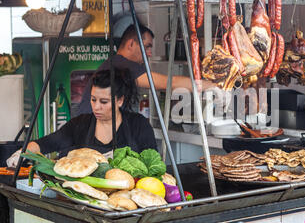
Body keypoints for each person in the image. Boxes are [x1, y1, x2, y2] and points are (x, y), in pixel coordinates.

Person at [7, 69, 157, 167]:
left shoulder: (138, 125)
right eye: (93, 100)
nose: (96, 107)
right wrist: (22, 152)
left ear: (120, 100)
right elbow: (46, 143)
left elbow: (152, 164)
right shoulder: (80, 124)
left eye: (103, 102)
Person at [76, 24, 213, 115]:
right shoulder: (124, 65)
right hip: (91, 132)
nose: (149, 53)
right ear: (131, 44)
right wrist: (213, 85)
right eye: (147, 46)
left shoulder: (114, 62)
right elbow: (170, 83)